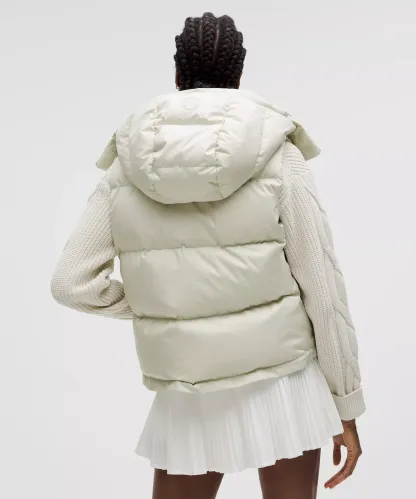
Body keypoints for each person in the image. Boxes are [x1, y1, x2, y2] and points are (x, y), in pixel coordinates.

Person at [51, 12, 365, 499]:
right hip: (283, 380)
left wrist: (167, 304)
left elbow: (71, 283)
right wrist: (346, 405)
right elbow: (322, 290)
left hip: (188, 389)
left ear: (177, 74)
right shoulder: (279, 154)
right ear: (238, 74)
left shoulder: (125, 165)